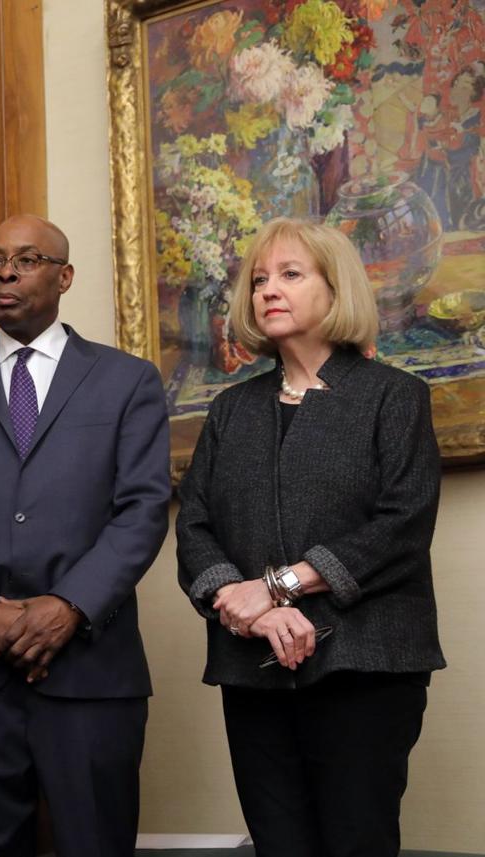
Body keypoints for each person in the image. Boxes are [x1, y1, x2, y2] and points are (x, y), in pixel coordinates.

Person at [0, 214, 170, 857]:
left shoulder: (127, 382)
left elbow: (142, 509)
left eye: (26, 259)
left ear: (65, 276)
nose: (6, 273)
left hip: (91, 673)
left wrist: (67, 607)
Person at [176, 217, 445, 857]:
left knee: (356, 842)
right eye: (260, 279)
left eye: (291, 275)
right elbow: (195, 527)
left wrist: (279, 586)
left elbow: (403, 524)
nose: (269, 290)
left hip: (366, 667)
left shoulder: (394, 397)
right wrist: (250, 612)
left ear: (336, 289)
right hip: (254, 669)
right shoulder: (230, 410)